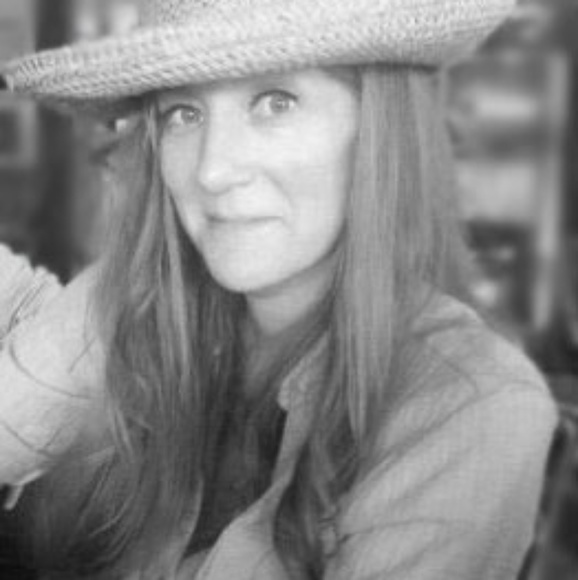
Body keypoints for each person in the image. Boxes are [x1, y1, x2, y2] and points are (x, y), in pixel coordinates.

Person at [0, 0, 558, 578]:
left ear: (380, 129)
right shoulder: (140, 305)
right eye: (183, 114)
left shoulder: (470, 409)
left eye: (275, 102)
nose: (212, 171)